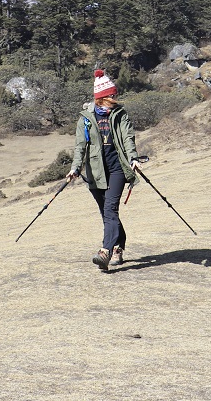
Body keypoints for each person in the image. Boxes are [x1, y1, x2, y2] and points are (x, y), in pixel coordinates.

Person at [66, 69, 142, 271]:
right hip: (96, 171)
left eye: (115, 95)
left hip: (117, 168)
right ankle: (119, 246)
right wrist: (75, 168)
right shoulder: (85, 119)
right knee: (107, 212)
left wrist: (133, 157)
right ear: (101, 98)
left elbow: (128, 137)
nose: (115, 98)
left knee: (110, 209)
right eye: (111, 95)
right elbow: (80, 146)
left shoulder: (120, 114)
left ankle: (105, 251)